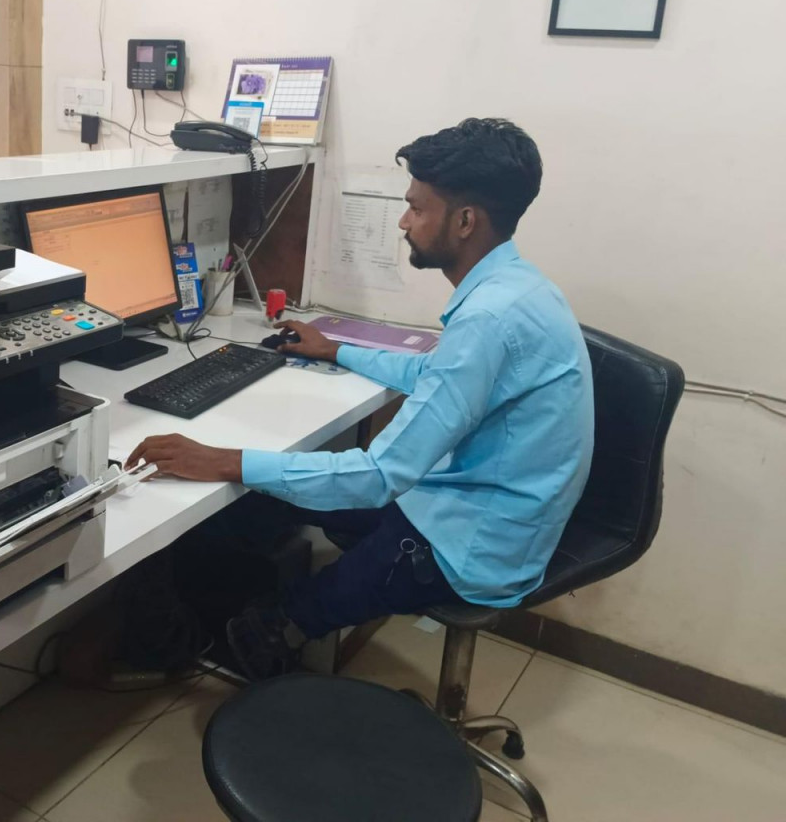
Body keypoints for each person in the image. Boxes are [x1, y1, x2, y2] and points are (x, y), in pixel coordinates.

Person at [127, 118, 594, 680]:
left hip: (471, 542)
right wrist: (337, 351)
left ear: (465, 221)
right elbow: (433, 372)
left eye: (416, 208)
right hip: (484, 503)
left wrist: (225, 459)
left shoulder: (488, 319)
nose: (404, 221)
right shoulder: (520, 287)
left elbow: (379, 476)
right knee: (261, 503)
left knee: (267, 613)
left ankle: (248, 648)